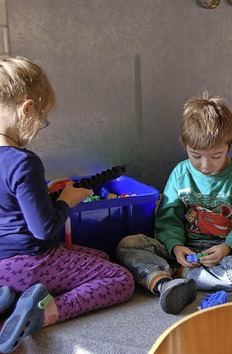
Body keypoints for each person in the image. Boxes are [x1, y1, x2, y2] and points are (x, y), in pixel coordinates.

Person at [0, 57, 134, 353]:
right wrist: (66, 202)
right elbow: (44, 230)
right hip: (33, 262)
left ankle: (9, 301)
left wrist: (45, 194)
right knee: (119, 277)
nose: (40, 127)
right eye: (43, 119)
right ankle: (43, 313)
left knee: (100, 256)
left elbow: (9, 208)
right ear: (27, 109)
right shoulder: (22, 162)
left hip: (3, 268)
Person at [116, 93, 232, 314]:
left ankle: (175, 276)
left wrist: (227, 247)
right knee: (127, 245)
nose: (205, 165)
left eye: (216, 156)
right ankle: (165, 279)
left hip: (227, 255)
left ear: (229, 145)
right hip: (184, 250)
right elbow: (168, 219)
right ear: (185, 145)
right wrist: (175, 246)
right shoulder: (180, 173)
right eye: (196, 155)